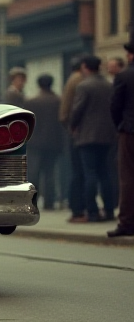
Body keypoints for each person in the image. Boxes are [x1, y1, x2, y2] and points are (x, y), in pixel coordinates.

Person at [69, 56, 117, 223]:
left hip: (88, 136)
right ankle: (110, 210)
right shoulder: (109, 85)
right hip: (107, 135)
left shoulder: (84, 85)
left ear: (84, 67)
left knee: (90, 173)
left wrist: (72, 126)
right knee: (105, 173)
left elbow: (77, 109)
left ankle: (93, 212)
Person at [24, 75, 64, 210]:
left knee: (34, 173)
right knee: (50, 173)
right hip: (53, 143)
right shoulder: (58, 101)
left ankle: (33, 202)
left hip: (35, 142)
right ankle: (49, 202)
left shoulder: (31, 102)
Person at [109, 38, 134, 237]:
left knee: (127, 177)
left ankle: (126, 222)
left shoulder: (124, 75)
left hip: (129, 131)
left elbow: (115, 106)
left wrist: (119, 125)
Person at [60, 55, 87, 220]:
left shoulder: (72, 79)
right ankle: (77, 207)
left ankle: (76, 206)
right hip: (77, 131)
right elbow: (67, 112)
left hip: (74, 130)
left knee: (77, 171)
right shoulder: (78, 80)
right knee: (79, 171)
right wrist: (72, 127)